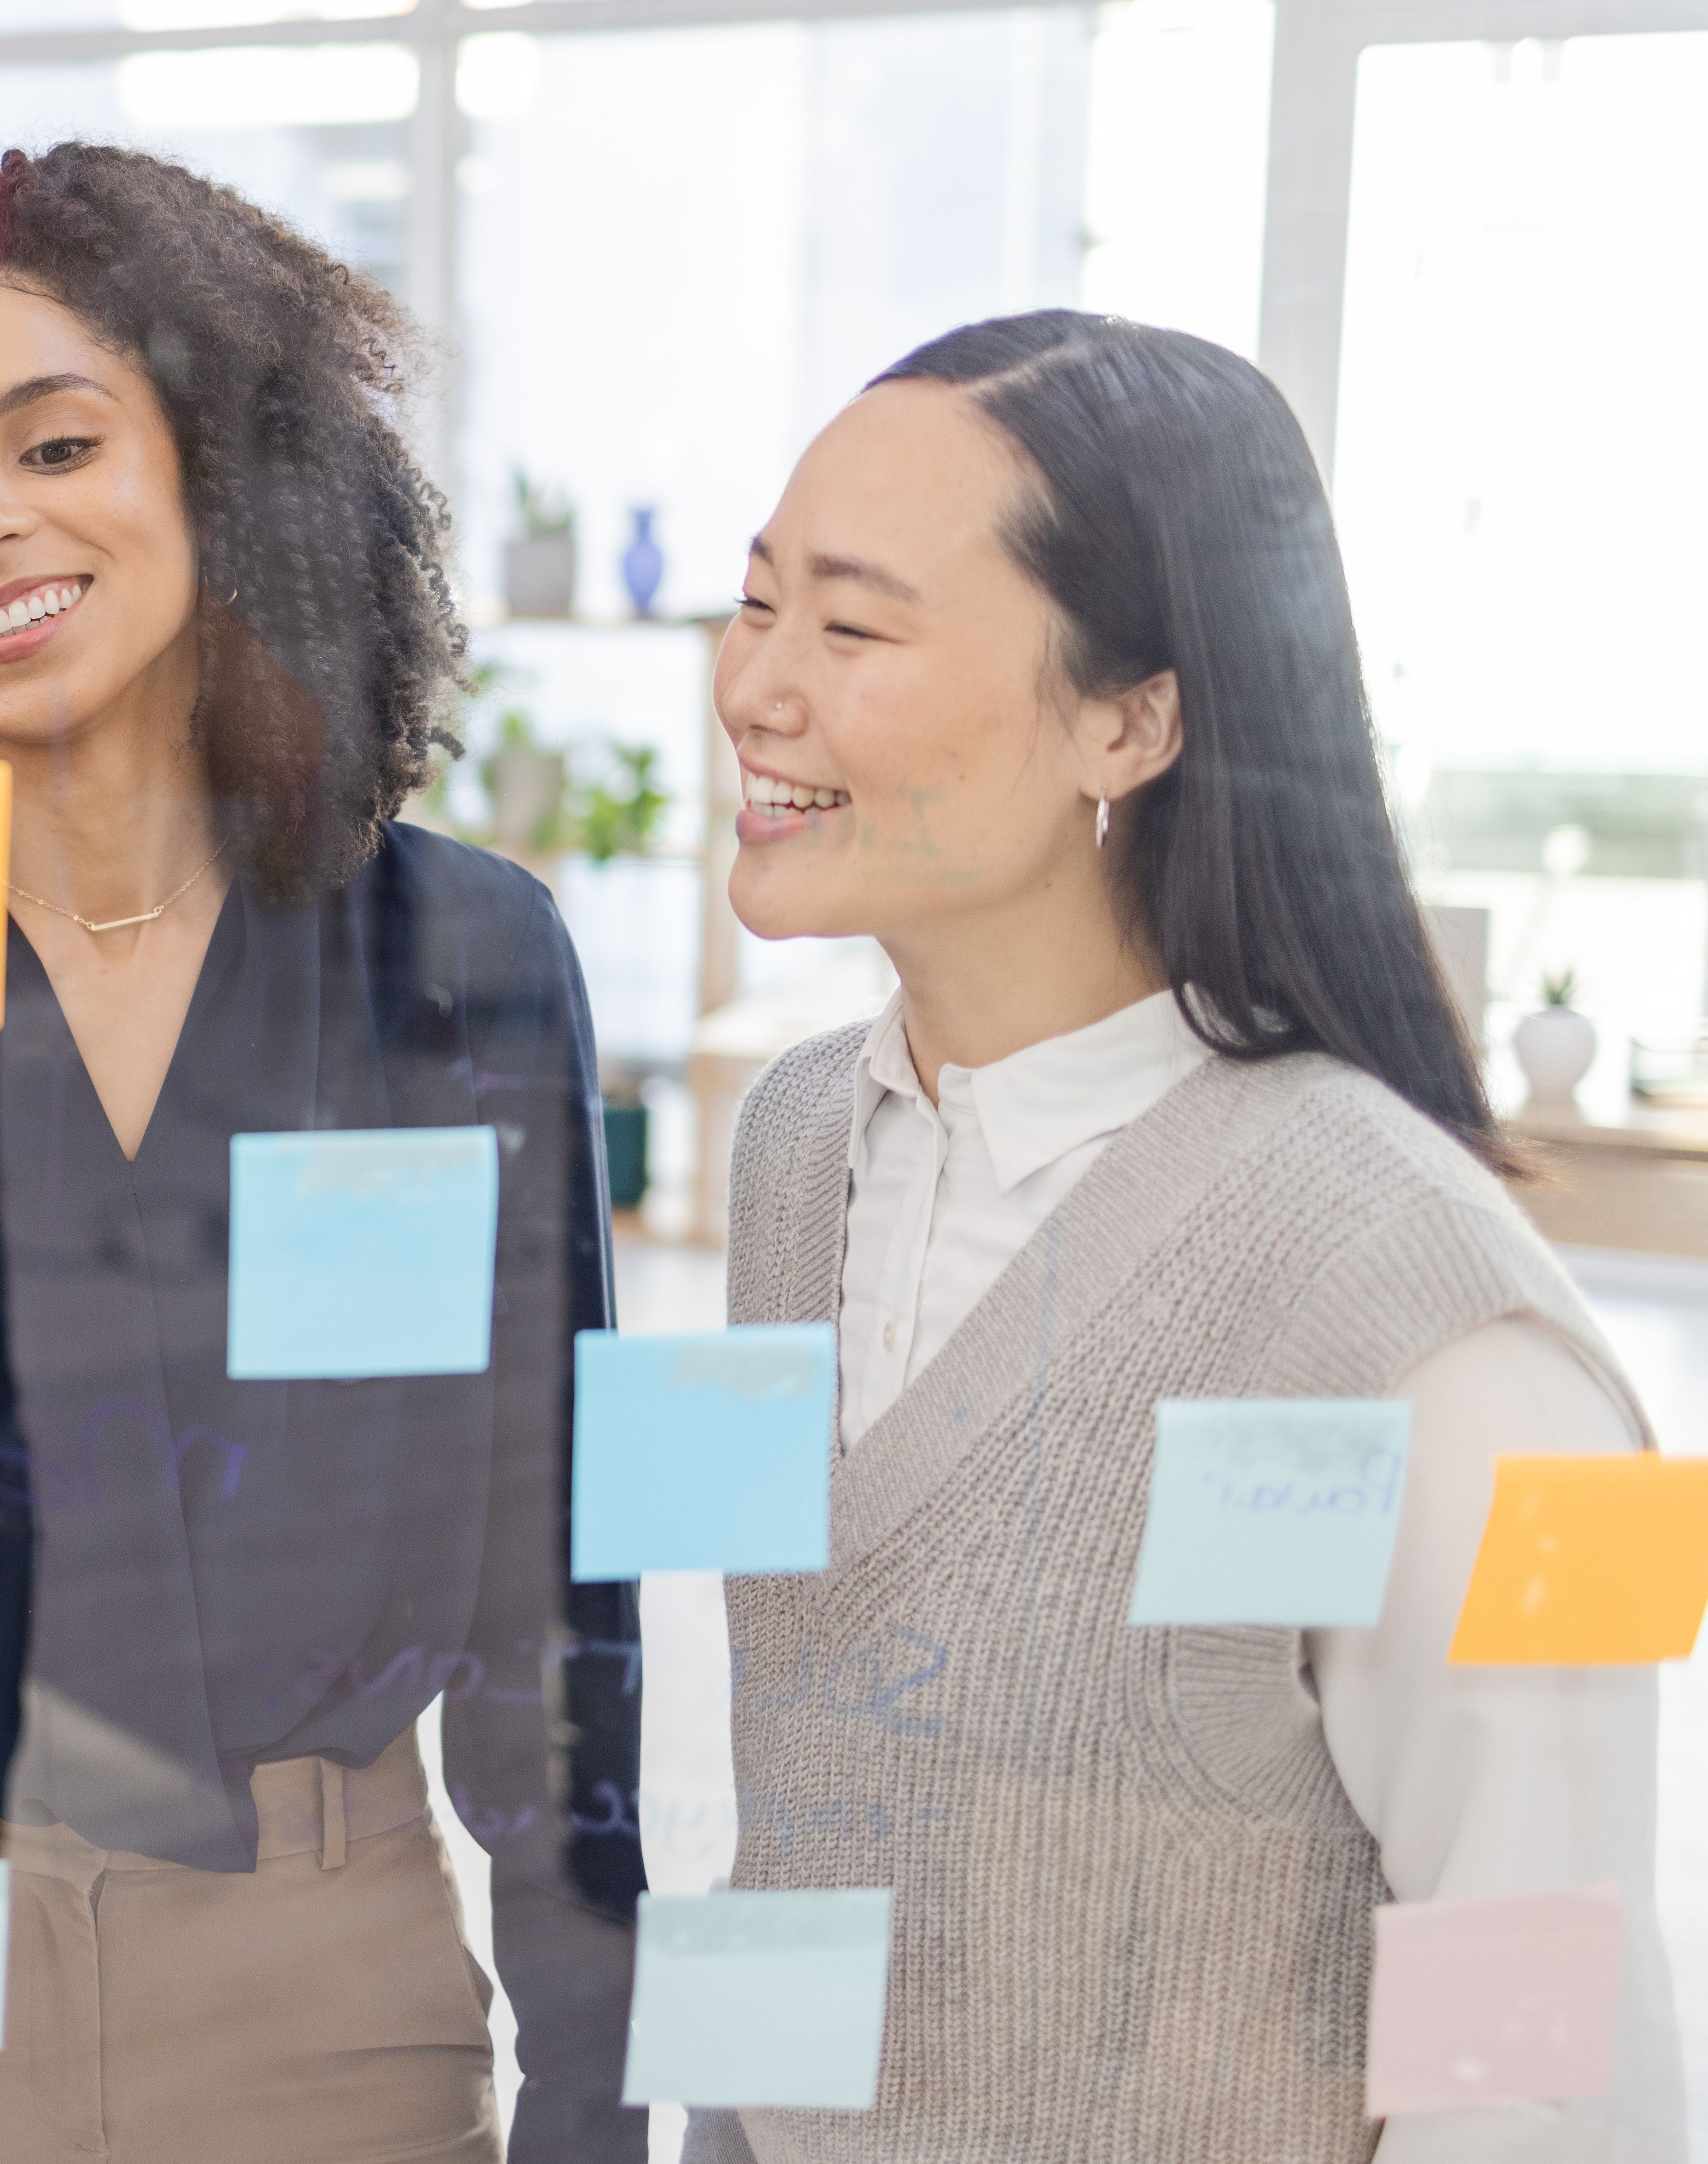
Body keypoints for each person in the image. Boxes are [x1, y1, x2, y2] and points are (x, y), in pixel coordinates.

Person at [0, 144, 644, 2164]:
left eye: (52, 441)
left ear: (224, 477)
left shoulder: (452, 952)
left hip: (312, 1970)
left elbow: (553, 1600)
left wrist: (591, 2102)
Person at [694, 311, 1686, 2162]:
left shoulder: (1449, 1323)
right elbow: (803, 1770)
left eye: (854, 624)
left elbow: (1551, 2045)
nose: (757, 686)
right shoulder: (791, 1150)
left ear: (1131, 717)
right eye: (757, 608)